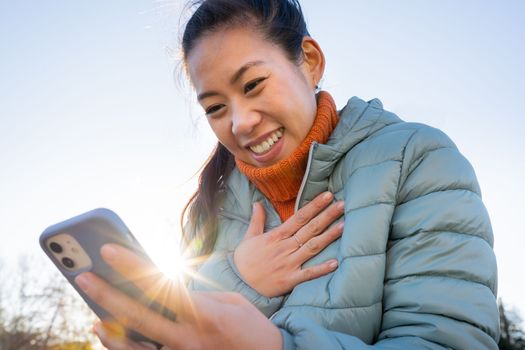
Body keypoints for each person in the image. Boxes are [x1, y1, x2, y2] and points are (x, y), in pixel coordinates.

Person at [74, 0, 500, 349]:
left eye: (253, 84)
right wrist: (240, 280)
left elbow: (448, 341)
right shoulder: (209, 212)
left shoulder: (417, 159)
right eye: (215, 108)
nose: (239, 123)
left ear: (310, 62)